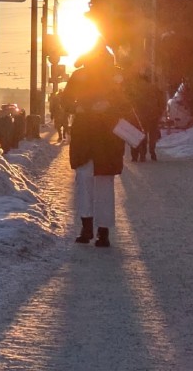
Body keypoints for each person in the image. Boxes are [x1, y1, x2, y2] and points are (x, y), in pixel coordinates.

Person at [60, 43, 132, 248]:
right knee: (85, 181)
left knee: (103, 183)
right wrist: (78, 107)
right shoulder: (79, 76)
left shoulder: (117, 77)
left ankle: (102, 230)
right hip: (86, 136)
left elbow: (127, 103)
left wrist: (109, 107)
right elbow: (65, 101)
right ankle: (88, 227)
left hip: (106, 137)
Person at [127, 71, 166, 162]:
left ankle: (138, 155)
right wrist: (159, 112)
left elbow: (129, 102)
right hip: (153, 115)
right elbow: (162, 103)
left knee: (137, 135)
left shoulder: (134, 90)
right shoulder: (155, 89)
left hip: (138, 116)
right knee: (152, 134)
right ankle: (152, 152)